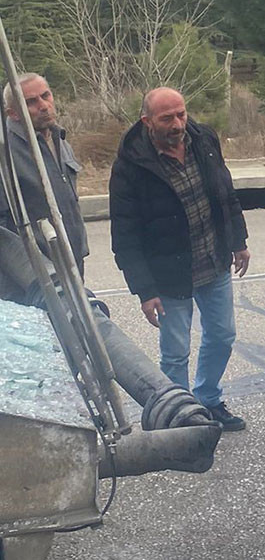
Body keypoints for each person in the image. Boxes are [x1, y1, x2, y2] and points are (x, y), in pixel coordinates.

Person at [109, 87, 251, 432]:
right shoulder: (131, 165)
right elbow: (125, 235)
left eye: (182, 114)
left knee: (222, 336)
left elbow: (225, 192)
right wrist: (145, 290)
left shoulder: (203, 139)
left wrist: (238, 241)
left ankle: (208, 400)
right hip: (169, 274)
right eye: (167, 118)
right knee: (175, 352)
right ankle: (179, 413)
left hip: (213, 260)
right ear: (147, 121)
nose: (178, 124)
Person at [0, 73, 89, 275]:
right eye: (31, 102)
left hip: (73, 260)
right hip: (37, 274)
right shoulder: (5, 153)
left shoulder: (59, 138)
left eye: (45, 96)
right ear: (12, 113)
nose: (43, 105)